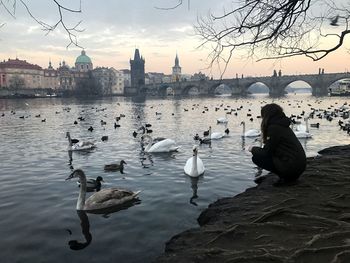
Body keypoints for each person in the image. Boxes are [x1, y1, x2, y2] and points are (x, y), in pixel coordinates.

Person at [248, 103, 306, 185]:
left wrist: (253, 149)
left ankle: (285, 177)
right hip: (299, 166)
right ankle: (286, 176)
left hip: (292, 167)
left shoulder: (273, 128)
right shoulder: (283, 125)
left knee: (257, 157)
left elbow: (266, 152)